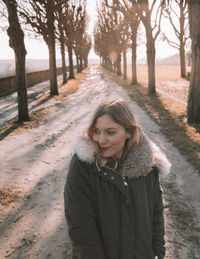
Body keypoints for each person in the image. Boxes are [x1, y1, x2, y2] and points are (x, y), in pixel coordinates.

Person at [64, 98, 170, 259]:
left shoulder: (148, 167)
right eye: (96, 131)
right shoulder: (83, 166)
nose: (101, 140)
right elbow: (81, 229)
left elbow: (156, 214)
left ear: (129, 132)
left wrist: (158, 253)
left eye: (110, 132)